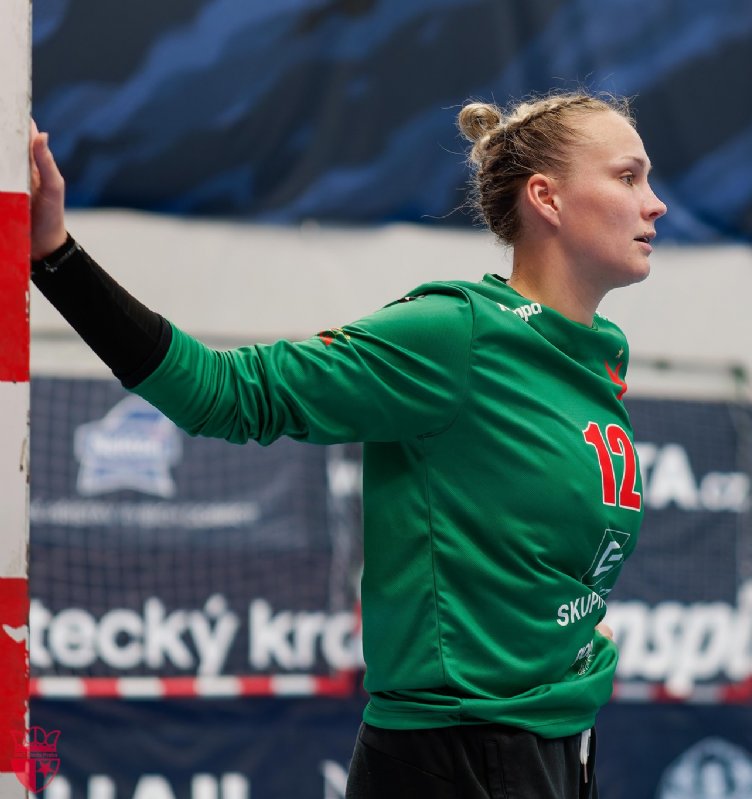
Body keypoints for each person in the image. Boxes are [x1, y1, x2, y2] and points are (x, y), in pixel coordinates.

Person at [28, 90, 667, 799]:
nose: (656, 203)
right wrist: (55, 257)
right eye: (628, 177)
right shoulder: (454, 333)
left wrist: (572, 641)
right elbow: (221, 392)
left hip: (561, 745)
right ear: (546, 197)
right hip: (456, 755)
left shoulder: (596, 357)